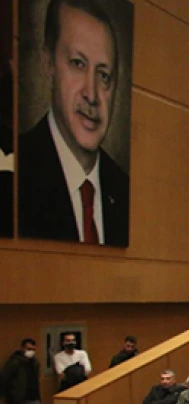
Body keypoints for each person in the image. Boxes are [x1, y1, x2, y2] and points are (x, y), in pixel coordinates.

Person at [19, 0, 129, 246]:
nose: (91, 94)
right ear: (48, 64)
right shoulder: (16, 176)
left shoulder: (124, 190)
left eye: (104, 75)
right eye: (78, 64)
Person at [0, 338, 46, 404]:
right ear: (22, 348)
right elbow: (5, 380)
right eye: (28, 349)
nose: (31, 351)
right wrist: (12, 396)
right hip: (21, 400)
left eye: (33, 349)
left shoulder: (35, 362)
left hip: (34, 398)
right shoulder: (14, 362)